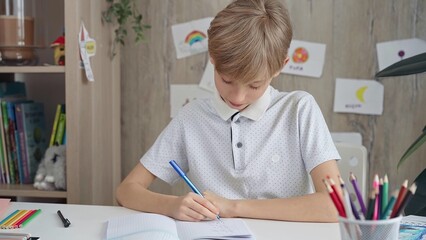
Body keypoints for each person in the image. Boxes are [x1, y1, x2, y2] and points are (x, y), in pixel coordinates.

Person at [116, 0, 342, 223]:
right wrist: (172, 205)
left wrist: (234, 207)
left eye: (254, 85)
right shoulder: (192, 118)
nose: (237, 97)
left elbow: (334, 206)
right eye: (227, 80)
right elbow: (126, 190)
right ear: (212, 58)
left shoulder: (299, 110)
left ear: (280, 67)